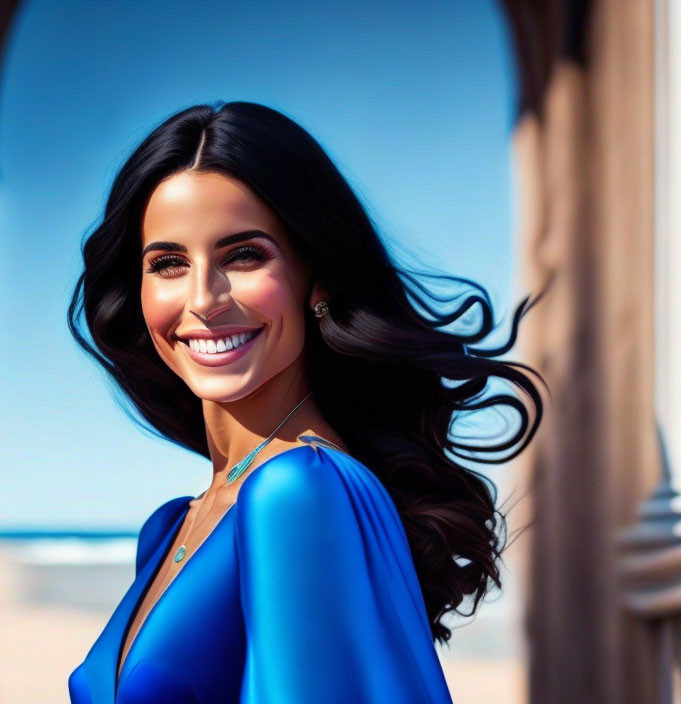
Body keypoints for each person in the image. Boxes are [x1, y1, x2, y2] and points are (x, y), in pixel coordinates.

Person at [65, 101, 545, 703]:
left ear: (315, 277)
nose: (203, 299)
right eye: (168, 263)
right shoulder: (169, 528)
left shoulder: (300, 490)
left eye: (243, 255)